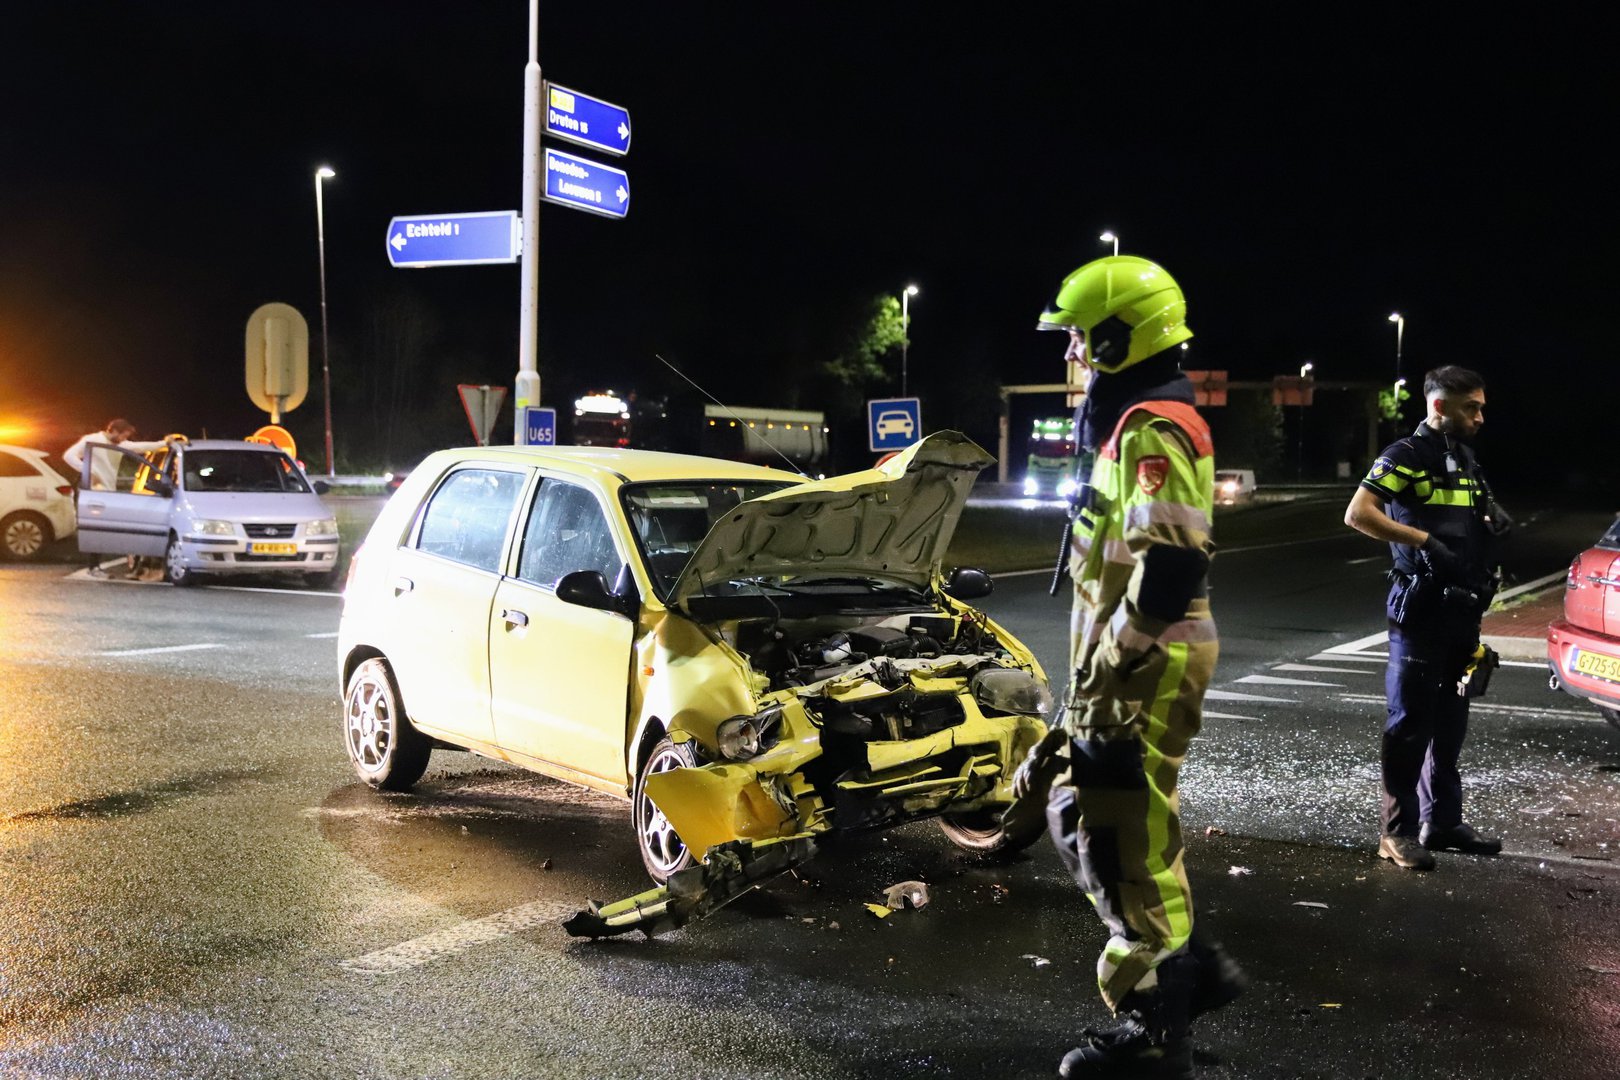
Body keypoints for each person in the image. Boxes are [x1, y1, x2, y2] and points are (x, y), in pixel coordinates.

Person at [1009, 256, 1245, 1079]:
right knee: (1124, 826)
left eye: (1078, 336)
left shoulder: (1151, 425)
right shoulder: (1129, 420)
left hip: (1146, 658)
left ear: (1118, 335)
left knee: (1109, 830)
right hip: (1134, 656)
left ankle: (1156, 1023)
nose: (1070, 352)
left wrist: (1112, 669)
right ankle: (1182, 978)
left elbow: (1172, 563)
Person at [1344, 365, 1506, 871]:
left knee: (1451, 722)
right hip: (1420, 610)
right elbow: (1359, 513)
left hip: (1463, 612)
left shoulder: (1465, 460)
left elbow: (1470, 520)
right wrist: (1421, 541)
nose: (1481, 416)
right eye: (1471, 407)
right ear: (1440, 407)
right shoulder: (1405, 456)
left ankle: (1443, 823)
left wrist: (1493, 519)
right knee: (1410, 724)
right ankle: (1397, 834)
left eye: (1481, 406)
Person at [62, 419, 166, 576]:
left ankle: (95, 566)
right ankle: (94, 567)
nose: (124, 440)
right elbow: (69, 456)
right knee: (96, 529)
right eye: (123, 436)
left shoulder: (118, 445)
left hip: (107, 492)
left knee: (102, 530)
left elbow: (139, 447)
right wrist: (88, 471)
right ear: (114, 431)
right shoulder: (92, 440)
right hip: (94, 491)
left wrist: (164, 443)